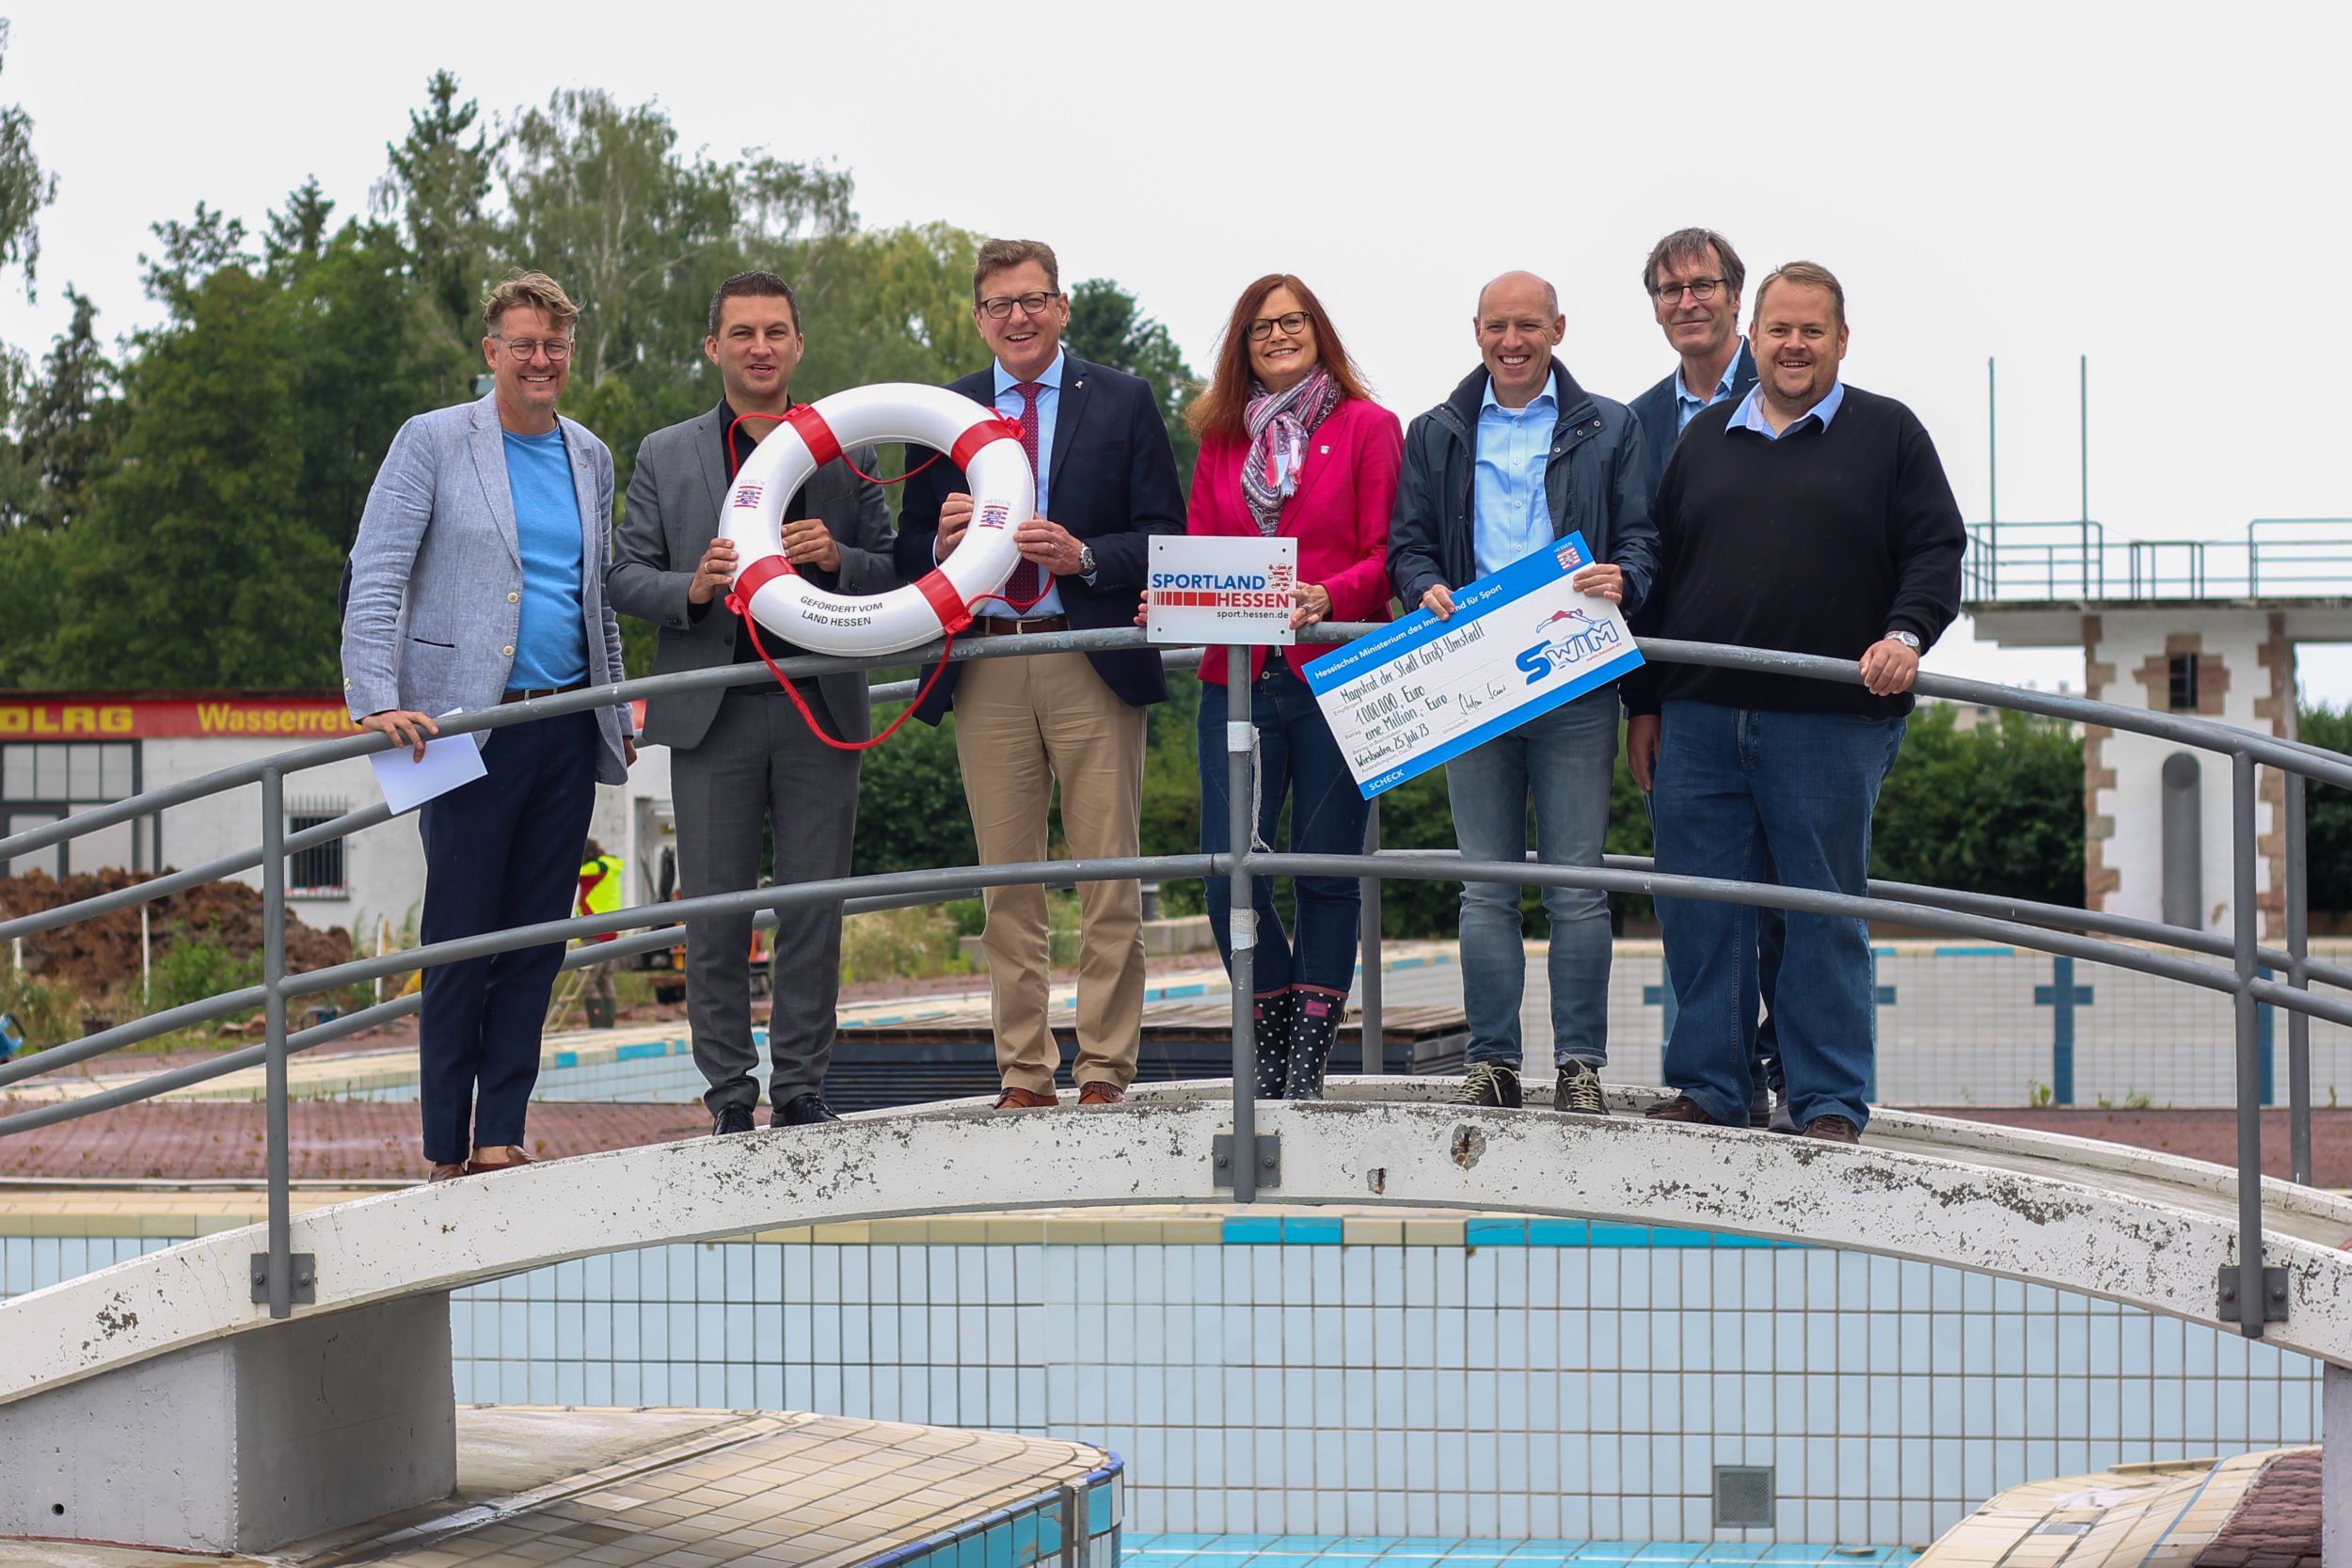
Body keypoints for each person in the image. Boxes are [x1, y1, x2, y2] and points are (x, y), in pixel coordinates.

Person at [1627, 261, 1964, 1143]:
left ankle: (1827, 1101)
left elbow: (1935, 550)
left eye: (1813, 330)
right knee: (1701, 913)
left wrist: (1906, 635)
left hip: (1829, 721)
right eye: (1779, 329)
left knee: (1820, 916)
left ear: (1842, 341)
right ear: (1754, 335)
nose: (1795, 345)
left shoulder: (1889, 434)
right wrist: (1645, 704)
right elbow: (1660, 582)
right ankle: (1713, 1084)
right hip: (1699, 723)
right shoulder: (1699, 441)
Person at [342, 269, 635, 1183]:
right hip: (455, 728)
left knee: (536, 937)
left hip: (563, 725)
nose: (540, 359)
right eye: (524, 344)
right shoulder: (431, 440)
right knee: (461, 934)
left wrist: (616, 703)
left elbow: (597, 597)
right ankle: (443, 1142)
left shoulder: (590, 453)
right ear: (491, 352)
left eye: (555, 345)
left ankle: (501, 1128)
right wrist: (375, 695)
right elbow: (377, 568)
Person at [895, 238, 1184, 1110]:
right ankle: (1024, 1074)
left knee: (1109, 876)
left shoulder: (1126, 399)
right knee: (1004, 885)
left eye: (1033, 300)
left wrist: (1086, 555)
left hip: (1087, 655)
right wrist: (939, 545)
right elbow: (906, 550)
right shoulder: (943, 409)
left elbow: (1161, 535)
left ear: (1062, 306)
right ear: (978, 316)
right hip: (985, 661)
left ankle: (1104, 1069)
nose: (1016, 317)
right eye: (998, 305)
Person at [608, 270, 897, 1134]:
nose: (760, 347)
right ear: (713, 347)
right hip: (712, 708)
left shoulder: (852, 448)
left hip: (819, 704)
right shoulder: (666, 452)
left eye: (776, 331)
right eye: (742, 333)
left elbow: (898, 567)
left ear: (799, 344)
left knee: (815, 906)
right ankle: (730, 1092)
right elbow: (624, 574)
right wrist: (689, 587)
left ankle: (802, 1085)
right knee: (714, 913)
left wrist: (839, 557)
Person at [1389, 271, 1659, 1115]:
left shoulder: (1611, 426)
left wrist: (1631, 577)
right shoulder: (1433, 431)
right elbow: (1408, 544)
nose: (1513, 340)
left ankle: (1580, 1066)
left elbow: (1645, 537)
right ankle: (1493, 1063)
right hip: (1471, 673)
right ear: (1476, 331)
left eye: (1529, 325)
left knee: (1576, 884)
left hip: (1574, 670)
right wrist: (1424, 583)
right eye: (1498, 325)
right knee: (1486, 885)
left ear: (1559, 329)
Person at [1176, 274, 1403, 1101]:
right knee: (1224, 872)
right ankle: (1270, 1022)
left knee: (1328, 872)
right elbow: (1202, 549)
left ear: (1319, 331)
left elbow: (1387, 551)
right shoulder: (1218, 438)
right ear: (1242, 344)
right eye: (1261, 326)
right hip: (1234, 674)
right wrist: (1171, 598)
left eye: (1293, 321)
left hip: (1334, 670)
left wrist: (1330, 596)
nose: (1278, 335)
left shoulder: (1370, 427)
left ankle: (1307, 1058)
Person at [1626, 228, 1786, 1132]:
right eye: (1670, 288)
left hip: (1788, 693)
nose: (1689, 300)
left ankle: (1790, 1065)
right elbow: (1633, 575)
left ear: (1738, 298)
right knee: (1694, 896)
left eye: (1705, 284)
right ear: (1653, 304)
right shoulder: (1633, 422)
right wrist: (1641, 703)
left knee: (1791, 901)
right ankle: (1714, 1080)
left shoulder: (1787, 396)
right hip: (1683, 699)